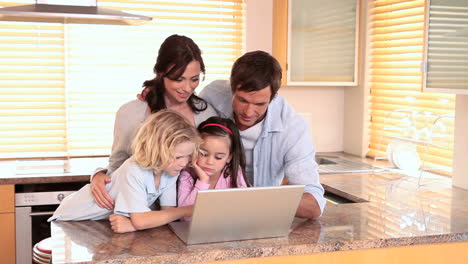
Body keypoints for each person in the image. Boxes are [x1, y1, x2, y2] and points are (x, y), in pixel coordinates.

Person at [91, 34, 217, 210]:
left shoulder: (205, 114)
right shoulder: (131, 114)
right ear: (160, 73)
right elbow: (118, 165)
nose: (187, 88)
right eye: (178, 79)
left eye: (194, 79)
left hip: (190, 210)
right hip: (142, 212)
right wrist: (98, 175)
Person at [199, 51, 326, 220]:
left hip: (260, 217)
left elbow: (314, 206)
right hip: (208, 211)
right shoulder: (213, 95)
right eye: (242, 100)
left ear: (273, 97)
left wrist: (252, 199)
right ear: (232, 89)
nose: (248, 112)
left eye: (260, 104)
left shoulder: (292, 129)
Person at [49, 110, 199, 233]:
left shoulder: (171, 170)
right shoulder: (134, 170)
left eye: (188, 156)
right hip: (72, 218)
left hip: (97, 223)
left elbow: (167, 212)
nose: (184, 163)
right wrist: (187, 210)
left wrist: (132, 225)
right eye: (178, 157)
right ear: (157, 150)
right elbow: (142, 220)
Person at [178, 116, 250, 211]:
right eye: (203, 154)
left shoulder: (234, 173)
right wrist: (203, 181)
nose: (210, 162)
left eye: (218, 157)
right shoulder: (187, 175)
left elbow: (245, 209)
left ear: (229, 157)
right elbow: (185, 217)